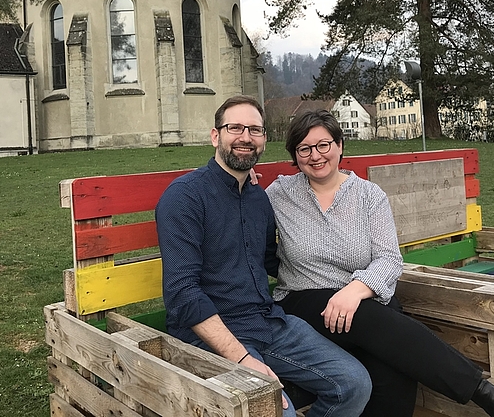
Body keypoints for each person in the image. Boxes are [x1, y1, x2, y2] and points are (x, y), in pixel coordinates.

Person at [266, 109, 494, 417]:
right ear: (295, 155)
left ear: (340, 145)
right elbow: (240, 202)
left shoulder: (369, 196)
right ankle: (488, 397)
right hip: (304, 300)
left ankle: (489, 398)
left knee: (393, 376)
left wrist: (355, 290)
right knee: (379, 325)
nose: (315, 155)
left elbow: (389, 258)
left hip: (362, 302)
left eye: (323, 145)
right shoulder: (280, 194)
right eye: (305, 148)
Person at [156, 96, 372, 417]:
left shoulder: (259, 198)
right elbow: (181, 293)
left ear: (264, 140)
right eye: (235, 128)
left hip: (269, 322)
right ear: (216, 136)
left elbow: (278, 262)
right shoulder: (185, 197)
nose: (246, 137)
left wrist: (351, 279)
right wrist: (242, 359)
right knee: (273, 410)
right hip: (210, 334)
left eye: (255, 129)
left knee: (354, 383)